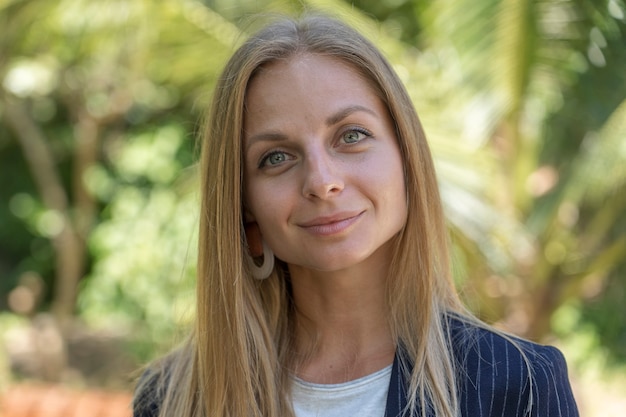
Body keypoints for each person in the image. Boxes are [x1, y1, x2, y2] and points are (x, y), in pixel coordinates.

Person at [133, 13, 579, 417]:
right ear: (244, 206)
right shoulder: (172, 398)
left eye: (351, 135)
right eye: (275, 158)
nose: (322, 181)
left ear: (407, 156)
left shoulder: (521, 386)